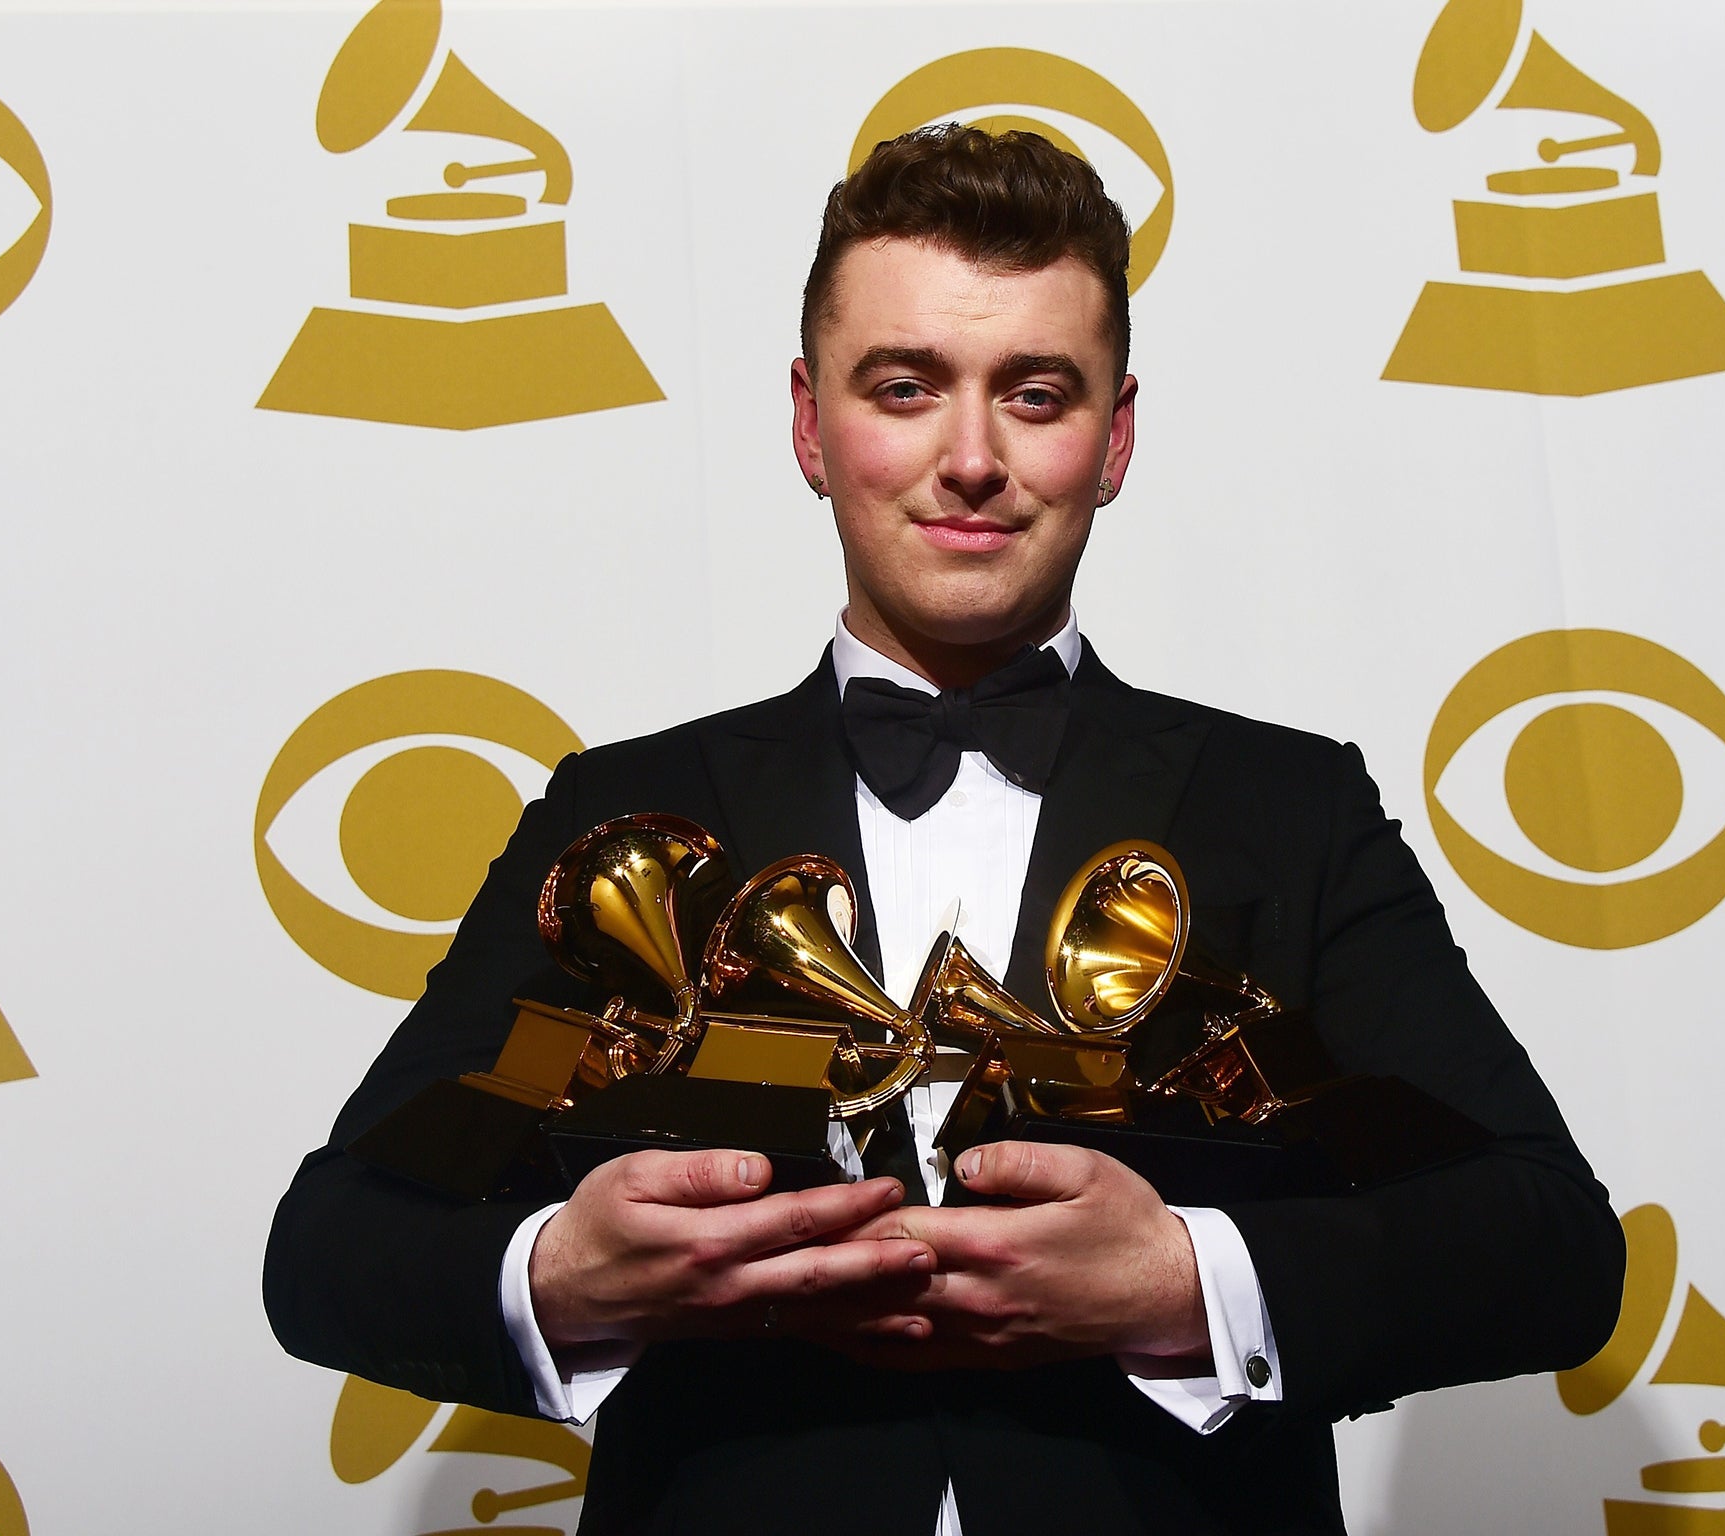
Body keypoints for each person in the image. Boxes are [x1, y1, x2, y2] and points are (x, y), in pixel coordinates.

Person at [265, 125, 1624, 1535]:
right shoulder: (613, 812)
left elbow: (1550, 1248)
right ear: (809, 424)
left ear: (1117, 437)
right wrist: (559, 1277)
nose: (970, 458)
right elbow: (329, 1252)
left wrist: (1185, 1281)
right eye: (904, 387)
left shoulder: (1292, 810)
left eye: (1036, 394)